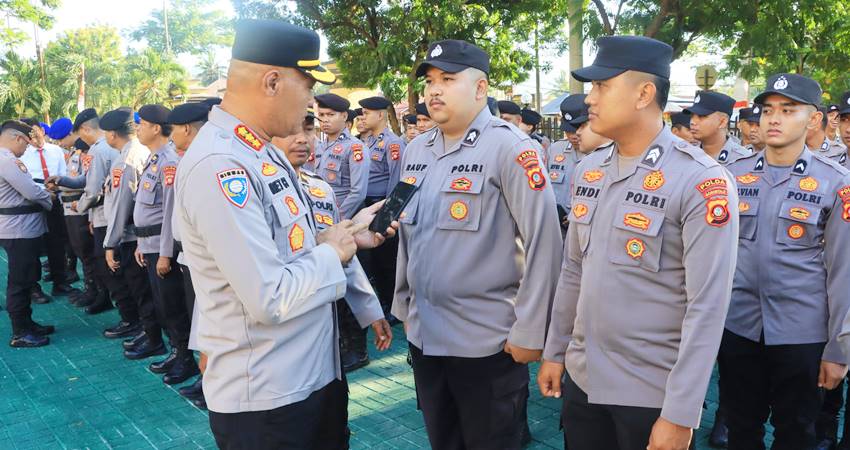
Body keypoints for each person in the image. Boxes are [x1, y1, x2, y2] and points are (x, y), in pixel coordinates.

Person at [174, 19, 397, 449]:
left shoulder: (260, 151)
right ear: (272, 82)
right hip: (270, 399)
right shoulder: (222, 165)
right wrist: (332, 253)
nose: (312, 103)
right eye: (308, 87)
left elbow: (289, 249)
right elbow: (269, 295)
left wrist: (347, 237)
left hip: (310, 377)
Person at [537, 36, 739, 450]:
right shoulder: (590, 170)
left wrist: (680, 412)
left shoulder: (700, 180)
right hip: (583, 379)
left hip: (650, 392)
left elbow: (707, 305)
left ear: (644, 94)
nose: (589, 98)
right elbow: (573, 270)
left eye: (602, 86)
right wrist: (555, 351)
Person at [392, 38, 562, 449]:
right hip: (425, 335)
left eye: (448, 79)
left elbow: (544, 242)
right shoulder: (417, 150)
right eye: (430, 81)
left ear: (481, 88)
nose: (434, 90)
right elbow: (408, 235)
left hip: (486, 342)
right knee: (444, 440)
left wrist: (531, 331)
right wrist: (402, 304)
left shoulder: (511, 148)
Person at [722, 73, 850, 449]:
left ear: (814, 119)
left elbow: (844, 272)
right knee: (740, 428)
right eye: (768, 110)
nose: (773, 119)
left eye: (788, 110)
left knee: (796, 432)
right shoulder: (731, 176)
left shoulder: (837, 183)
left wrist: (838, 349)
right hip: (738, 325)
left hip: (802, 333)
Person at [132, 104, 199, 383]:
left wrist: (165, 253)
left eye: (141, 124)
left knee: (173, 306)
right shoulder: (155, 159)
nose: (137, 129)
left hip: (163, 248)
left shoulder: (169, 161)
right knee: (162, 305)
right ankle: (176, 352)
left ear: (156, 128)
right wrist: (141, 243)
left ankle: (186, 359)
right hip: (149, 244)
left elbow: (170, 212)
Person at [98, 108, 163, 360]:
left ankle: (152, 337)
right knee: (143, 290)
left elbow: (121, 206)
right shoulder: (136, 152)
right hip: (138, 235)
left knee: (141, 291)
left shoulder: (126, 160)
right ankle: (148, 333)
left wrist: (109, 244)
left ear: (112, 134)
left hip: (132, 236)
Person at [165, 101, 210, 408]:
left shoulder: (204, 160)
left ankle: (215, 383)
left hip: (204, 258)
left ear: (185, 129)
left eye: (173, 130)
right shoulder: (190, 158)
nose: (171, 137)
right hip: (189, 256)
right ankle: (207, 379)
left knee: (212, 324)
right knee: (200, 322)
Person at [0, 120, 55, 347]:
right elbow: (31, 191)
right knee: (20, 280)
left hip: (19, 228)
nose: (27, 148)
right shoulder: (7, 160)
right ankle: (20, 331)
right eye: (26, 143)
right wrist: (49, 198)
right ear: (17, 138)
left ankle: (27, 323)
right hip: (19, 229)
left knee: (26, 276)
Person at [358, 95, 405, 337]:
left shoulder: (392, 143)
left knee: (387, 261)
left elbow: (396, 181)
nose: (363, 117)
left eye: (366, 113)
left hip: (383, 205)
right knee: (374, 261)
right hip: (367, 205)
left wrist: (387, 215)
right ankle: (384, 304)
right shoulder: (367, 142)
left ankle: (394, 308)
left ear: (380, 115)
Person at [19, 118, 77, 299]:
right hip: (33, 204)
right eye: (28, 134)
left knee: (57, 243)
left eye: (34, 131)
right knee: (32, 246)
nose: (33, 136)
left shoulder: (56, 151)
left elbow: (64, 175)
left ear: (42, 130)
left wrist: (57, 187)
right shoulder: (21, 155)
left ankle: (60, 282)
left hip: (55, 202)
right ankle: (33, 288)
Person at [47, 137, 99, 309]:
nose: (60, 142)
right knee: (80, 251)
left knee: (86, 253)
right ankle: (91, 289)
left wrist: (60, 184)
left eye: (62, 138)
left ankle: (96, 291)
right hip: (69, 208)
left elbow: (86, 183)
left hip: (80, 209)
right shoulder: (72, 154)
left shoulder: (87, 155)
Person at [548, 94, 611, 232]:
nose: (574, 135)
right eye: (568, 130)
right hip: (557, 229)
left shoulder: (610, 155)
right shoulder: (555, 150)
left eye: (579, 127)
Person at [315, 93, 370, 221]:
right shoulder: (320, 146)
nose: (325, 120)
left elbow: (358, 192)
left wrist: (337, 218)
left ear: (344, 116)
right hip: (320, 214)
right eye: (321, 115)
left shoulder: (355, 147)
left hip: (344, 218)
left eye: (330, 115)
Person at [685, 91, 750, 165]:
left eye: (701, 116)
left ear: (722, 122)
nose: (692, 122)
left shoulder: (743, 160)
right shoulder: (687, 155)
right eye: (692, 116)